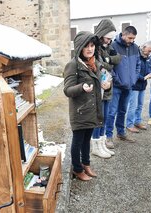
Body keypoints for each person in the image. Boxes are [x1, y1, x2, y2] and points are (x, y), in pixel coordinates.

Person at [63, 31, 107, 181]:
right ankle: (77, 169)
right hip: (80, 111)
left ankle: (86, 164)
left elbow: (102, 78)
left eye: (92, 45)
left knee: (87, 140)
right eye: (86, 46)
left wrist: (106, 84)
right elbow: (67, 90)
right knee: (78, 141)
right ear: (80, 48)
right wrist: (81, 87)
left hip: (91, 110)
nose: (90, 49)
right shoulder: (73, 65)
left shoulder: (95, 63)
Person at [105, 26, 141, 146]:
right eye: (130, 38)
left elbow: (138, 65)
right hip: (116, 86)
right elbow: (109, 65)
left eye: (133, 38)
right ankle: (108, 136)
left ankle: (121, 133)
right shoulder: (113, 46)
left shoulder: (135, 48)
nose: (132, 40)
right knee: (112, 112)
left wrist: (134, 79)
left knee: (123, 111)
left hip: (129, 86)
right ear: (124, 35)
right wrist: (116, 80)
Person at [91, 19, 122, 158]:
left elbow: (118, 59)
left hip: (108, 86)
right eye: (108, 38)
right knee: (99, 118)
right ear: (102, 34)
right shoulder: (94, 47)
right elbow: (99, 65)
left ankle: (102, 145)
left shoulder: (106, 47)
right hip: (99, 88)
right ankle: (95, 146)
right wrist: (108, 62)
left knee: (105, 118)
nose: (109, 41)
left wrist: (107, 61)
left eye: (111, 39)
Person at [126, 40, 151, 133]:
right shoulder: (136, 55)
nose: (150, 53)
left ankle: (137, 121)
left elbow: (148, 68)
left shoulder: (146, 58)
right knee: (133, 106)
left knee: (140, 105)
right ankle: (129, 124)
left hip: (142, 86)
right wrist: (143, 78)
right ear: (144, 47)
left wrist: (150, 72)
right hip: (134, 86)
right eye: (149, 50)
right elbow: (132, 71)